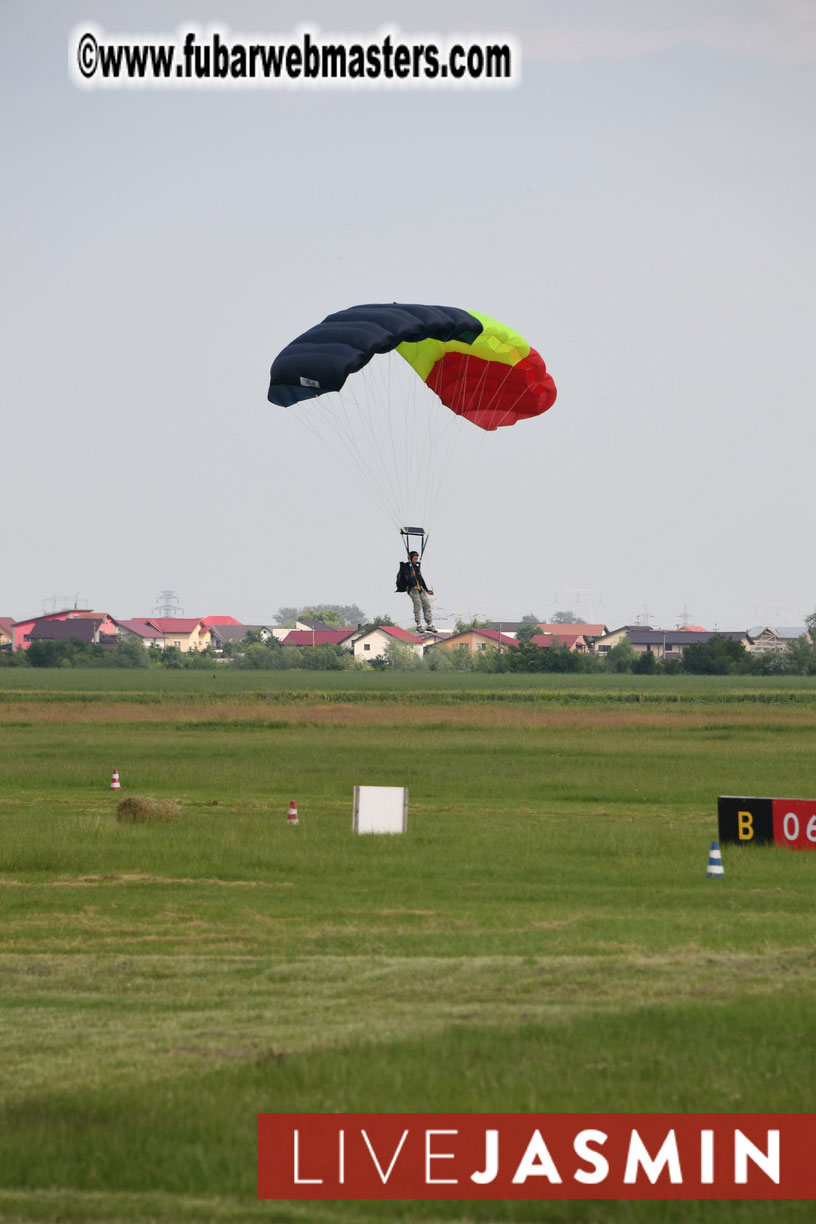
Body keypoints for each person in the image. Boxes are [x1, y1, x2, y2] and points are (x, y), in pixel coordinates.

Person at [401, 551, 436, 633]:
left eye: (417, 559)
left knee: (426, 603)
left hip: (419, 588)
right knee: (418, 603)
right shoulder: (406, 567)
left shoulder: (416, 567)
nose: (416, 560)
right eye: (415, 559)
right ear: (410, 559)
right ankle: (419, 625)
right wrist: (413, 585)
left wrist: (427, 590)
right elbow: (407, 577)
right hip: (411, 588)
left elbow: (421, 579)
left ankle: (429, 625)